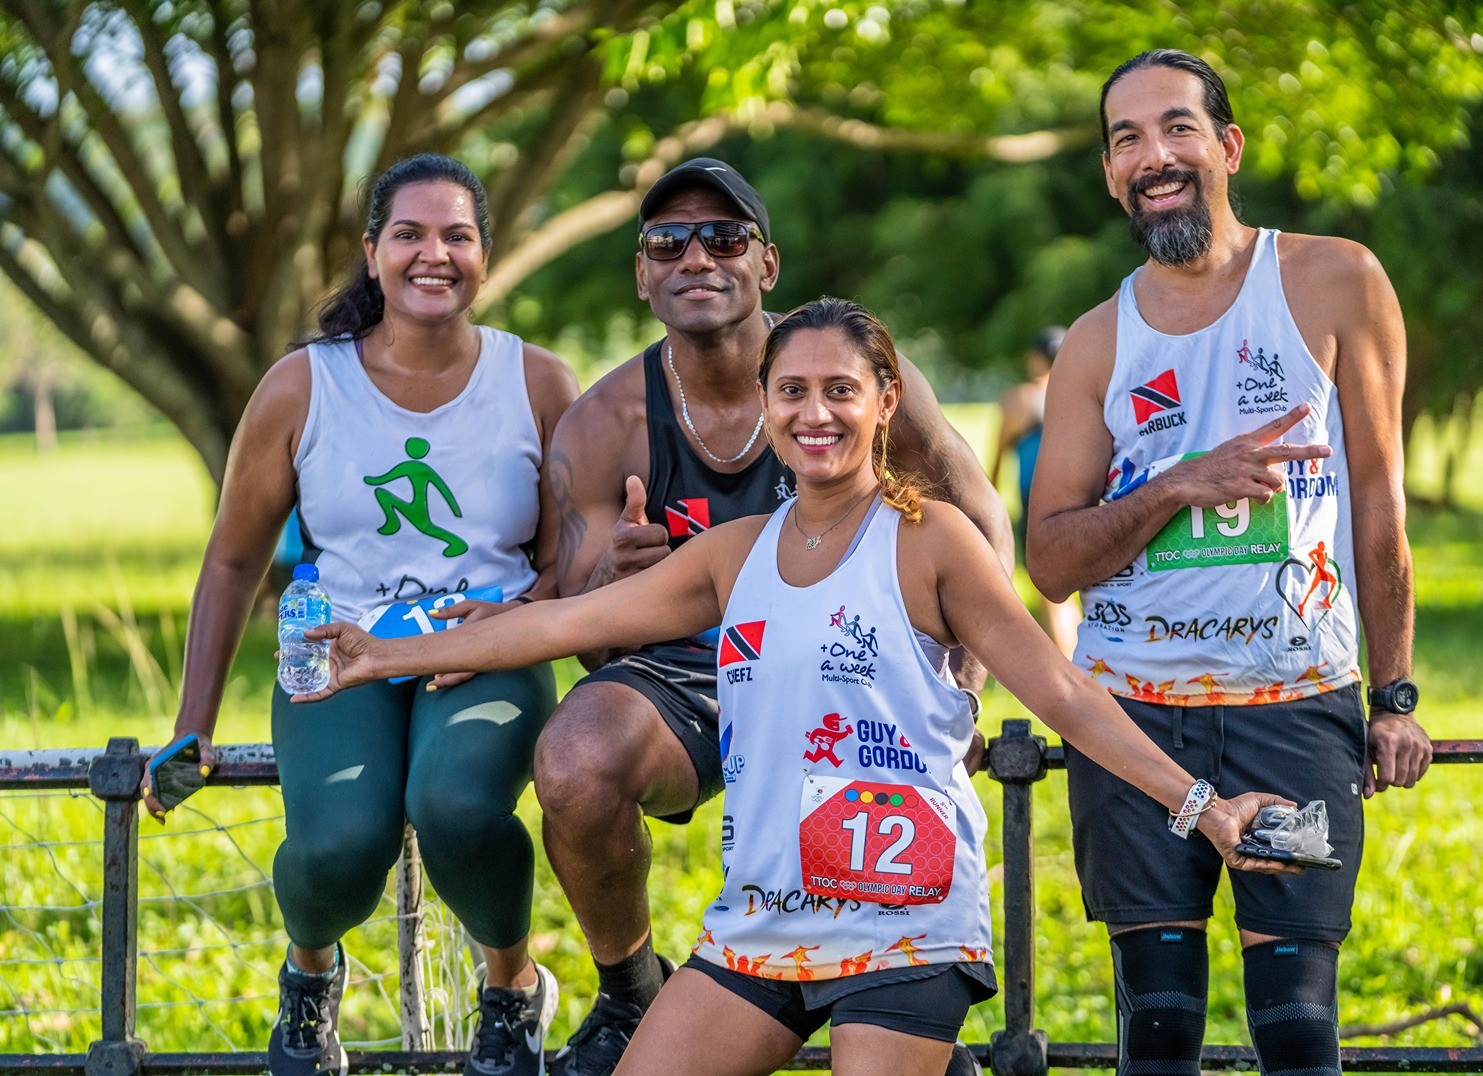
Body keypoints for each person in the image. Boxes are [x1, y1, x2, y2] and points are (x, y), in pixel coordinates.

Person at [295, 297, 1294, 1076]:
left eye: (840, 390)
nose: (815, 413)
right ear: (766, 403)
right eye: (792, 391)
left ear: (885, 400)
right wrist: (378, 656)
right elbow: (563, 623)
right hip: (763, 920)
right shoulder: (733, 553)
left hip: (901, 922)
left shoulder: (931, 541)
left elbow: (1061, 693)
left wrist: (1202, 808)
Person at [510, 158, 1011, 1075]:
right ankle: (629, 992)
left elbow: (978, 522)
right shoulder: (604, 421)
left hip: (854, 663)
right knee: (576, 760)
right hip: (686, 676)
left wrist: (958, 697)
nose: (696, 257)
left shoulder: (850, 374)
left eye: (724, 236)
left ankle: (909, 1033)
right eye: (668, 241)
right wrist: (613, 576)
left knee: (869, 848)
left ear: (766, 264)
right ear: (642, 273)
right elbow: (575, 624)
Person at [1025, 50, 1432, 1076]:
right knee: (1157, 1027)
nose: (1153, 155)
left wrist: (1392, 695)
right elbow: (1050, 561)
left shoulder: (1333, 280)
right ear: (1110, 174)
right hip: (1132, 719)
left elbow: (1378, 501)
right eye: (1126, 140)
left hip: (1291, 707)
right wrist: (1174, 485)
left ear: (1227, 146)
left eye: (1176, 127)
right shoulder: (1095, 343)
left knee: (1295, 1027)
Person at [139, 154, 580, 1076]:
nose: (434, 254)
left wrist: (515, 616)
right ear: (372, 252)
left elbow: (566, 563)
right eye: (409, 235)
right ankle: (310, 976)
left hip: (486, 652)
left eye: (457, 235)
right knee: (338, 848)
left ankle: (511, 989)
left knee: (455, 807)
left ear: (485, 254)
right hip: (336, 651)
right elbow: (232, 559)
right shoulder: (304, 385)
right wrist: (191, 724)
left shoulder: (537, 383)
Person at [989, 325, 1079, 657]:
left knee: (1053, 597)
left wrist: (990, 506)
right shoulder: (1080, 393)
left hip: (1039, 502)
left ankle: (1072, 668)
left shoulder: (1021, 399)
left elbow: (998, 458)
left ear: (1035, 359)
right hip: (1082, 496)